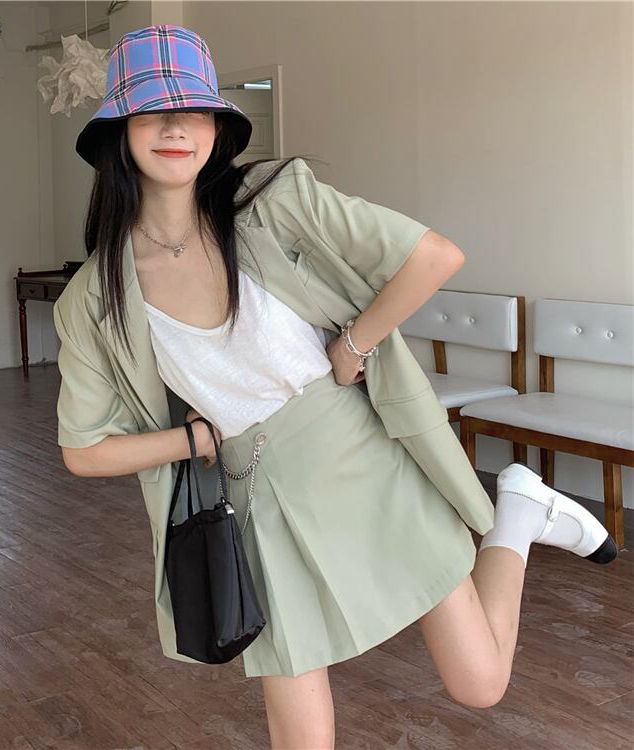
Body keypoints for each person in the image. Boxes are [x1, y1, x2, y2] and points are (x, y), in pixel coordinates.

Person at [57, 24, 618, 749]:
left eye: (194, 110)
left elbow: (433, 256)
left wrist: (354, 343)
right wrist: (194, 439)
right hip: (254, 499)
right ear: (118, 132)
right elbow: (85, 450)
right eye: (152, 112)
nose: (176, 128)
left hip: (363, 456)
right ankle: (516, 512)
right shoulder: (95, 296)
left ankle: (516, 515)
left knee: (479, 684)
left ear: (217, 129)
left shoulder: (272, 204)